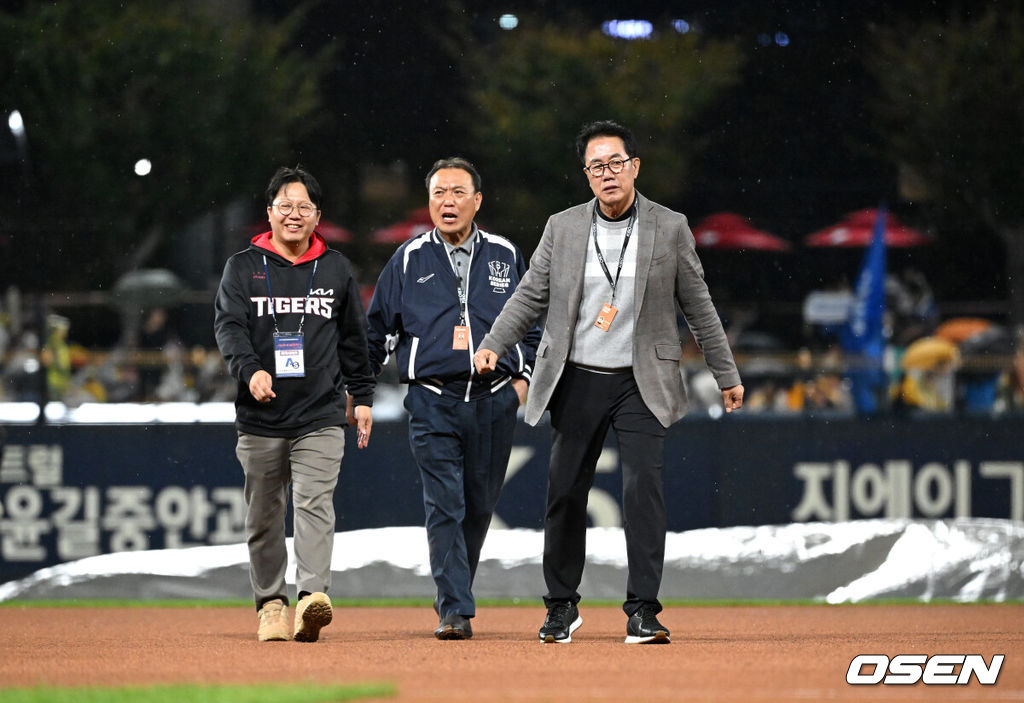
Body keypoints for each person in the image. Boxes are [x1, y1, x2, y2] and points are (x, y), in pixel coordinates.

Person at [474, 121, 744, 645]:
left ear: (635, 167)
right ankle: (560, 606)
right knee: (564, 492)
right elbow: (530, 294)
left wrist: (725, 371)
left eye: (616, 162)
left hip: (643, 381)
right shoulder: (564, 227)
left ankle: (642, 609)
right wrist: (494, 342)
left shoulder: (670, 227)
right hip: (577, 377)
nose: (607, 174)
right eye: (597, 166)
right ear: (586, 176)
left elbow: (699, 305)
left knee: (644, 490)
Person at [366, 157, 540, 640]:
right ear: (428, 202)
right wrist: (361, 392)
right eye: (439, 192)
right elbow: (376, 330)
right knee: (445, 503)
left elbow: (533, 323)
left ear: (477, 201)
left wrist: (522, 378)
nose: (448, 201)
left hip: (495, 398)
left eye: (458, 192)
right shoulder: (406, 259)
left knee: (479, 505)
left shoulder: (506, 254)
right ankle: (455, 610)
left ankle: (455, 596)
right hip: (432, 399)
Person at [214, 165, 374, 643]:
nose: (294, 215)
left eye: (304, 207)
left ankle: (311, 598)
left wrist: (361, 396)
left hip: (321, 413)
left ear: (317, 215)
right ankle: (270, 605)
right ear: (269, 212)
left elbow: (353, 339)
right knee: (264, 515)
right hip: (260, 415)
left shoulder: (337, 268)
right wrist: (251, 370)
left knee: (313, 503)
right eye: (285, 206)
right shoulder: (242, 266)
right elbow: (229, 328)